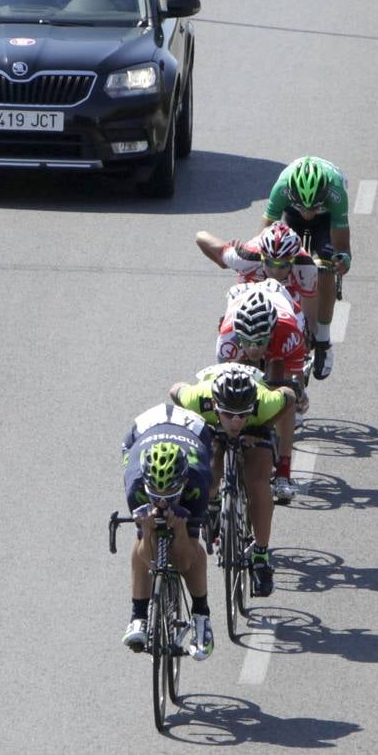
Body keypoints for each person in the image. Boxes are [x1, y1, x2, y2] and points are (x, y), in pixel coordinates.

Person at [169, 365, 302, 596]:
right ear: (216, 405)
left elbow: (290, 397)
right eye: (229, 414)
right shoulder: (199, 399)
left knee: (259, 483)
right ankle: (211, 505)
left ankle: (260, 555)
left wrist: (264, 426)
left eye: (242, 415)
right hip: (211, 422)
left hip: (257, 424)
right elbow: (175, 391)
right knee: (209, 468)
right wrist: (195, 427)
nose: (235, 422)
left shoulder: (263, 403)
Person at [120, 405, 215, 660]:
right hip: (142, 432)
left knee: (190, 552)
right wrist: (148, 529)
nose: (162, 504)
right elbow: (147, 557)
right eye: (156, 497)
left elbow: (185, 561)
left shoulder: (196, 482)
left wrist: (182, 529)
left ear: (182, 483)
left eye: (170, 497)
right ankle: (138, 616)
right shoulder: (136, 486)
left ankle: (201, 616)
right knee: (140, 539)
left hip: (194, 432)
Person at [259, 156, 352, 380]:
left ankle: (323, 339)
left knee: (325, 267)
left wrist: (343, 260)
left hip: (326, 219)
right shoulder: (281, 188)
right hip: (292, 218)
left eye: (314, 206)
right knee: (277, 257)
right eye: (303, 206)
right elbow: (263, 237)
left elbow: (342, 246)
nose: (308, 212)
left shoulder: (336, 192)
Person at [214, 282, 308, 501]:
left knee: (285, 395)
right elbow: (222, 384)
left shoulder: (289, 333)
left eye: (260, 342)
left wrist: (297, 394)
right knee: (233, 391)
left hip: (282, 307)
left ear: (271, 332)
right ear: (239, 334)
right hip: (241, 303)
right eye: (248, 342)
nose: (254, 348)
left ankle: (284, 472)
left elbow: (297, 383)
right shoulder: (227, 339)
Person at [194, 223, 319, 337]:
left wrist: (310, 336)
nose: (275, 271)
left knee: (301, 330)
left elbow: (310, 316)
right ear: (262, 257)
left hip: (288, 295)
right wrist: (223, 261)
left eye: (283, 265)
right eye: (270, 263)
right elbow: (200, 237)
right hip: (250, 293)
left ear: (293, 260)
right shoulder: (244, 257)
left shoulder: (306, 267)